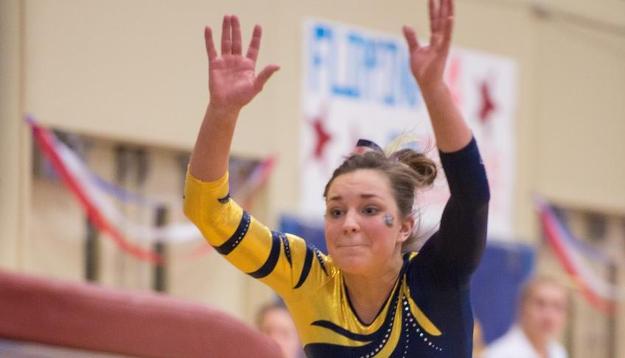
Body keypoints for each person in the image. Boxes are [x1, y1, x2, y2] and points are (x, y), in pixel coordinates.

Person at [184, 0, 490, 356]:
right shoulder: (308, 278)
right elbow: (208, 211)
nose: (349, 223)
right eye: (336, 210)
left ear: (404, 227)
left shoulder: (439, 276)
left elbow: (472, 196)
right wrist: (222, 113)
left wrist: (435, 89)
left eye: (370, 210)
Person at [484, 277, 569, 358]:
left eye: (557, 306)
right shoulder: (499, 354)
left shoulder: (559, 352)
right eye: (540, 304)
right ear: (523, 307)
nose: (548, 315)